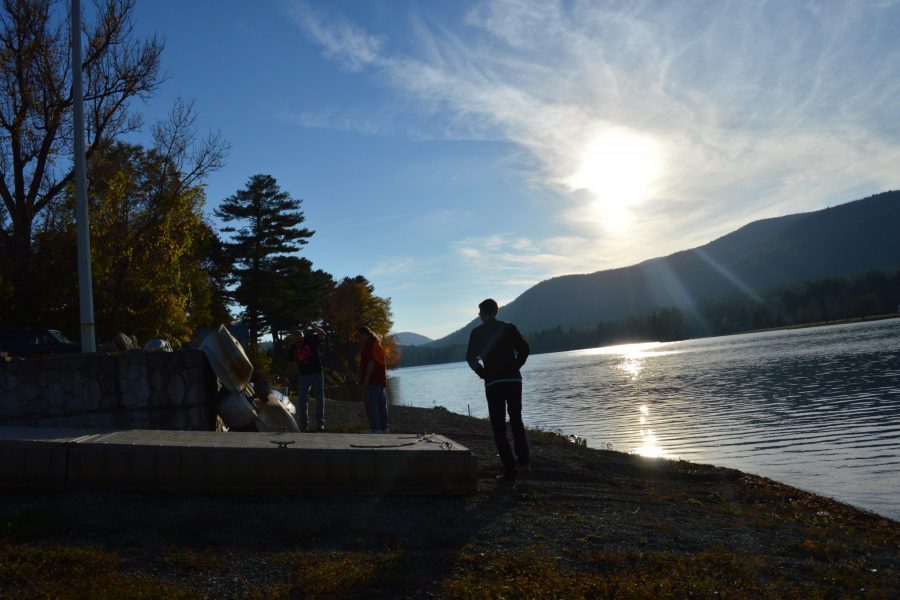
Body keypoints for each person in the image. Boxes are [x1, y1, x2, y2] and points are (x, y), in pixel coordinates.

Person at [466, 298, 531, 482]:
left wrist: (484, 374)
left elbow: (471, 358)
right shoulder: (509, 328)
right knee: (517, 421)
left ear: (484, 314)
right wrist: (515, 366)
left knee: (499, 426)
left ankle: (510, 470)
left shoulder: (477, 332)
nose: (479, 316)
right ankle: (524, 464)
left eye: (479, 313)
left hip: (494, 383)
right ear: (496, 311)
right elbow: (524, 349)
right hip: (513, 381)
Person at [289, 322, 327, 431]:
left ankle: (320, 423)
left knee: (319, 398)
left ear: (303, 337)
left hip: (317, 373)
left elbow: (323, 334)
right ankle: (304, 425)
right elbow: (291, 363)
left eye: (300, 340)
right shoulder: (293, 348)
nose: (298, 343)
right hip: (303, 375)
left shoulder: (310, 340)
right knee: (302, 400)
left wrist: (314, 326)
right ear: (293, 340)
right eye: (296, 341)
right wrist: (287, 377)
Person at [358, 325, 389, 433]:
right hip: (380, 379)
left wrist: (366, 378)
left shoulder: (370, 344)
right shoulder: (376, 343)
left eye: (359, 335)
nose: (359, 338)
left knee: (372, 405)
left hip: (373, 380)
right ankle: (384, 428)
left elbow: (371, 362)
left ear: (364, 334)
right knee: (381, 405)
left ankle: (376, 429)